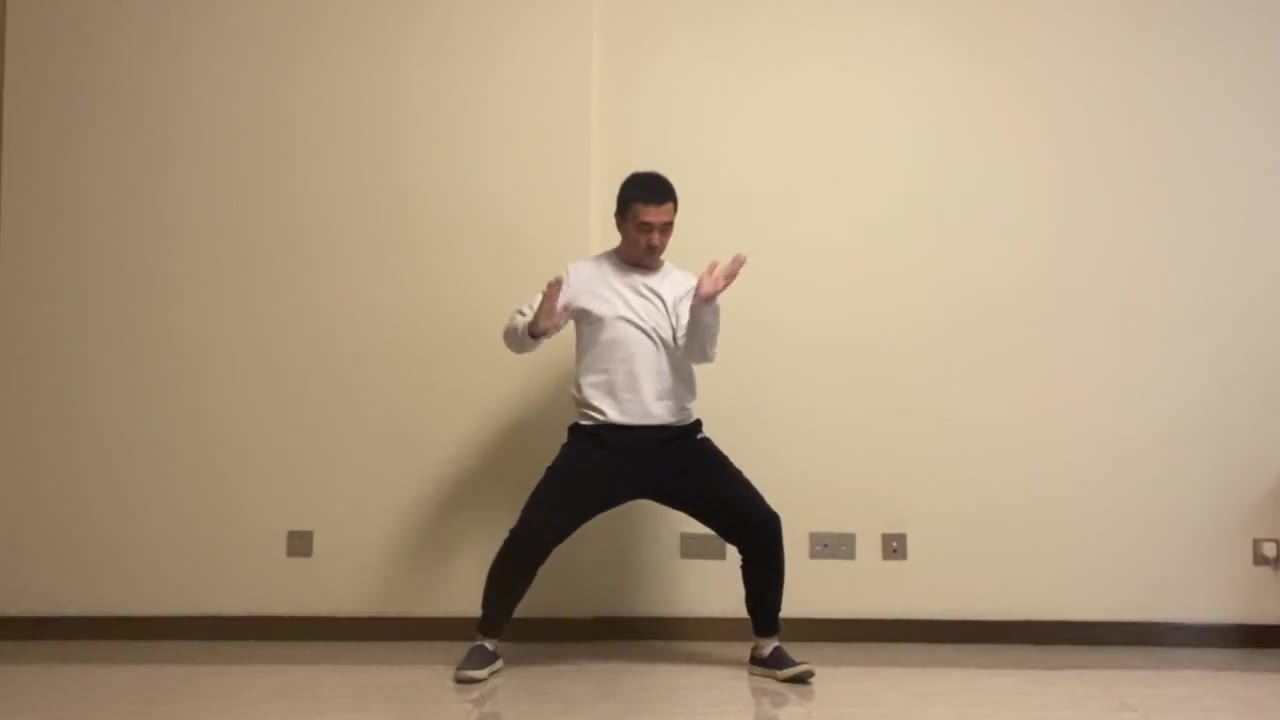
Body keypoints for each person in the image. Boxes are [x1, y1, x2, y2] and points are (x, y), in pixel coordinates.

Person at [452, 171, 814, 685]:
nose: (656, 239)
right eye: (645, 227)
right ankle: (485, 643)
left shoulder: (685, 285)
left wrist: (706, 303)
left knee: (761, 525)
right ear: (620, 221)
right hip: (600, 444)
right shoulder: (581, 277)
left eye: (666, 228)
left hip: (676, 443)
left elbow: (700, 353)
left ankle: (767, 647)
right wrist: (535, 327)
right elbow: (516, 338)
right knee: (529, 537)